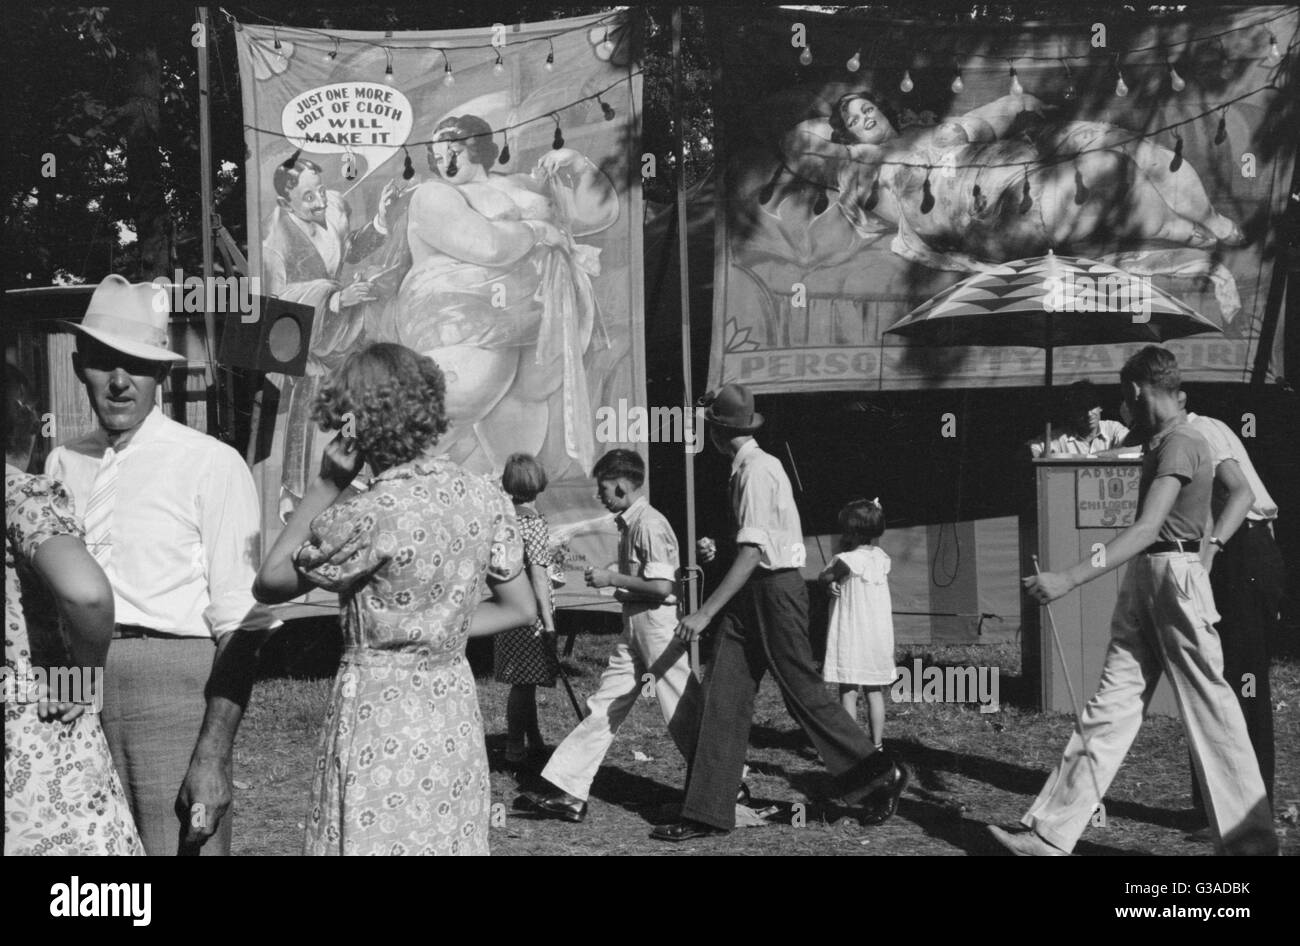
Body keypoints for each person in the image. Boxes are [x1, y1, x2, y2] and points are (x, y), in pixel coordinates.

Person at [992, 346, 1276, 856]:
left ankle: (1252, 845)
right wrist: (1207, 548)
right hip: (1153, 576)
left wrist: (1070, 579)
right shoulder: (1166, 438)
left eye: (1126, 400)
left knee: (1212, 709)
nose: (1124, 411)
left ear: (1135, 392)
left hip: (1171, 573)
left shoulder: (1185, 440)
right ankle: (1050, 834)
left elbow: (1148, 527)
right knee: (1111, 706)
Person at [254, 343, 535, 855]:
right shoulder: (483, 498)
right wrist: (437, 630)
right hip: (451, 709)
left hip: (379, 714)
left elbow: (270, 581)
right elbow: (521, 607)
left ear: (354, 423)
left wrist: (325, 484)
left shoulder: (368, 514)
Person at [45, 275, 277, 856]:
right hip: (76, 689)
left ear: (163, 374)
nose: (120, 382)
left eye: (138, 365)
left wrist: (212, 755)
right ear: (79, 367)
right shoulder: (59, 463)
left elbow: (244, 623)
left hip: (176, 689)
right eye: (104, 362)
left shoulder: (212, 464)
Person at [651, 383, 908, 841]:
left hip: (773, 591)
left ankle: (879, 775)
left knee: (801, 692)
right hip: (753, 592)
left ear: (714, 431)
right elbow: (755, 543)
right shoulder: (748, 467)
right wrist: (723, 547)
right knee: (723, 697)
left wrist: (705, 613)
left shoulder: (757, 471)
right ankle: (707, 810)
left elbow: (756, 554)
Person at [774, 89, 1244, 314]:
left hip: (1015, 158)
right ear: (845, 135)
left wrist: (1018, 102)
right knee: (1109, 170)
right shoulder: (862, 171)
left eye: (868, 107)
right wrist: (841, 141)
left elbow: (980, 122)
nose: (866, 116)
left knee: (1126, 146)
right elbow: (798, 143)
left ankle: (1211, 220)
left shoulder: (924, 131)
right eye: (854, 118)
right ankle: (1185, 231)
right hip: (995, 210)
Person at [375, 114, 619, 475]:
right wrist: (537, 230)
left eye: (455, 150)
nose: (447, 162)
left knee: (520, 415)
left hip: (539, 322)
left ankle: (511, 501)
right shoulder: (433, 195)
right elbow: (486, 245)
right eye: (439, 156)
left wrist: (577, 164)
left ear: (478, 147)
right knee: (462, 398)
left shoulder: (523, 184)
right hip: (466, 326)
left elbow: (599, 214)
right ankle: (396, 479)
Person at [517, 448, 700, 822]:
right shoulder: (631, 522)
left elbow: (664, 587)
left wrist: (611, 578)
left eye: (602, 488)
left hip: (658, 627)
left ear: (619, 484)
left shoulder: (649, 524)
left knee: (682, 708)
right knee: (603, 706)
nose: (599, 496)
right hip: (636, 624)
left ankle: (726, 783)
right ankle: (569, 791)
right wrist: (623, 590)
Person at [5, 368, 143, 855]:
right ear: (22, 423)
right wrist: (83, 677)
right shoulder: (21, 496)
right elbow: (87, 593)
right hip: (33, 719)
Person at [262, 154, 406, 516]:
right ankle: (292, 493)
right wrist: (337, 298)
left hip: (343, 328)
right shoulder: (274, 243)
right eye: (308, 197)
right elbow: (279, 307)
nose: (321, 201)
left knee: (361, 391)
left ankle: (359, 467)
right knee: (308, 396)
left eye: (321, 190)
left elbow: (351, 248)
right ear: (285, 202)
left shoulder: (337, 207)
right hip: (308, 334)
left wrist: (380, 221)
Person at [1182, 397, 1282, 820]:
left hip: (1241, 552)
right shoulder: (1177, 436)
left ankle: (1248, 809)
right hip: (1232, 551)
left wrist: (1213, 550)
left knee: (1243, 682)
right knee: (1209, 677)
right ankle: (1213, 805)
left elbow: (1241, 496)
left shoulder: (1200, 429)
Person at [493, 453, 561, 770]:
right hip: (531, 614)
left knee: (526, 681)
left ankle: (533, 741)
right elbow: (538, 574)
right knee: (523, 684)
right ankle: (514, 746)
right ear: (538, 484)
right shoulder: (533, 524)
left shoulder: (504, 520)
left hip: (509, 609)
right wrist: (548, 623)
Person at [819, 498, 895, 750]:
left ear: (850, 532)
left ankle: (851, 748)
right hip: (876, 636)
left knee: (848, 690)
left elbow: (824, 576)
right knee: (874, 692)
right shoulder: (882, 558)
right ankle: (877, 744)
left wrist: (830, 582)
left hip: (852, 634)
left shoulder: (845, 559)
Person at [1027, 380, 1130, 458]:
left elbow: (1134, 448)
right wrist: (1045, 456)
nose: (1089, 414)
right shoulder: (1059, 437)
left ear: (1100, 407)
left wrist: (1087, 457)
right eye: (1082, 409)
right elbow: (1030, 450)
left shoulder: (1113, 428)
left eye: (1092, 407)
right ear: (1073, 412)